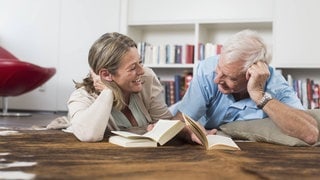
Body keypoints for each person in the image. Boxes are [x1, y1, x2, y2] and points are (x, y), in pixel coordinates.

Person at [173, 29, 319, 145]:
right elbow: (179, 120)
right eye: (219, 69)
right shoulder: (207, 69)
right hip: (190, 121)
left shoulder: (276, 85)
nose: (217, 80)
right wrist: (190, 132)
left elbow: (310, 134)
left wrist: (259, 95)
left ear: (253, 74)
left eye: (231, 77)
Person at [66, 32, 172, 142]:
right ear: (106, 75)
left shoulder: (147, 78)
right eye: (132, 68)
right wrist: (108, 91)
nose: (141, 71)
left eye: (140, 62)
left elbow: (166, 123)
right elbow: (89, 135)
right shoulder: (82, 97)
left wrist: (160, 128)